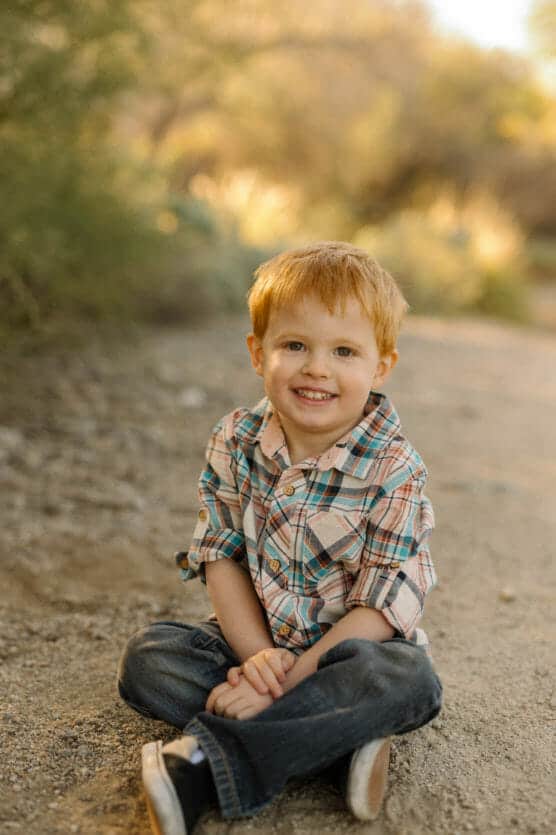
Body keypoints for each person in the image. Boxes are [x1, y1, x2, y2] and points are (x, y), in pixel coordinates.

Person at [118, 241, 443, 834]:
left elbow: (379, 608)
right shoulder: (235, 440)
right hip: (257, 645)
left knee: (409, 683)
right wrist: (258, 660)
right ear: (257, 352)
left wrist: (279, 687)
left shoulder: (396, 467)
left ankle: (201, 765)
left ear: (380, 366)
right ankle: (336, 744)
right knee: (151, 659)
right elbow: (220, 558)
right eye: (295, 345)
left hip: (353, 655)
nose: (316, 368)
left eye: (344, 351)